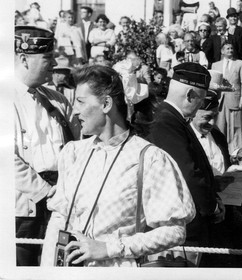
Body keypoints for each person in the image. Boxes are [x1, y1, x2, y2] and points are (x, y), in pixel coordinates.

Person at [40, 65, 195, 267]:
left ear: (106, 104)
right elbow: (58, 219)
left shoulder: (150, 159)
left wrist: (109, 248)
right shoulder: (73, 153)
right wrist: (46, 271)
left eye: (80, 101)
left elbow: (174, 231)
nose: (75, 110)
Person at [14, 26, 80, 266]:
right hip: (23, 211)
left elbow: (80, 143)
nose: (54, 63)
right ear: (23, 59)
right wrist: (46, 192)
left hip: (61, 203)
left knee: (59, 265)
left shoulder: (58, 99)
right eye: (47, 57)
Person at [148, 63, 224, 266]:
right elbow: (187, 173)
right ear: (190, 94)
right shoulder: (167, 122)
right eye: (200, 100)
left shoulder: (172, 120)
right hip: (182, 233)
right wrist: (212, 206)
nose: (200, 107)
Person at [212, 43, 242, 153]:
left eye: (232, 48)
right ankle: (220, 151)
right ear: (222, 51)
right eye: (227, 48)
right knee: (219, 128)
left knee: (235, 129)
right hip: (219, 100)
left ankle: (236, 152)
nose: (230, 50)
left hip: (235, 100)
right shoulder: (215, 65)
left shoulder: (241, 64)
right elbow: (213, 83)